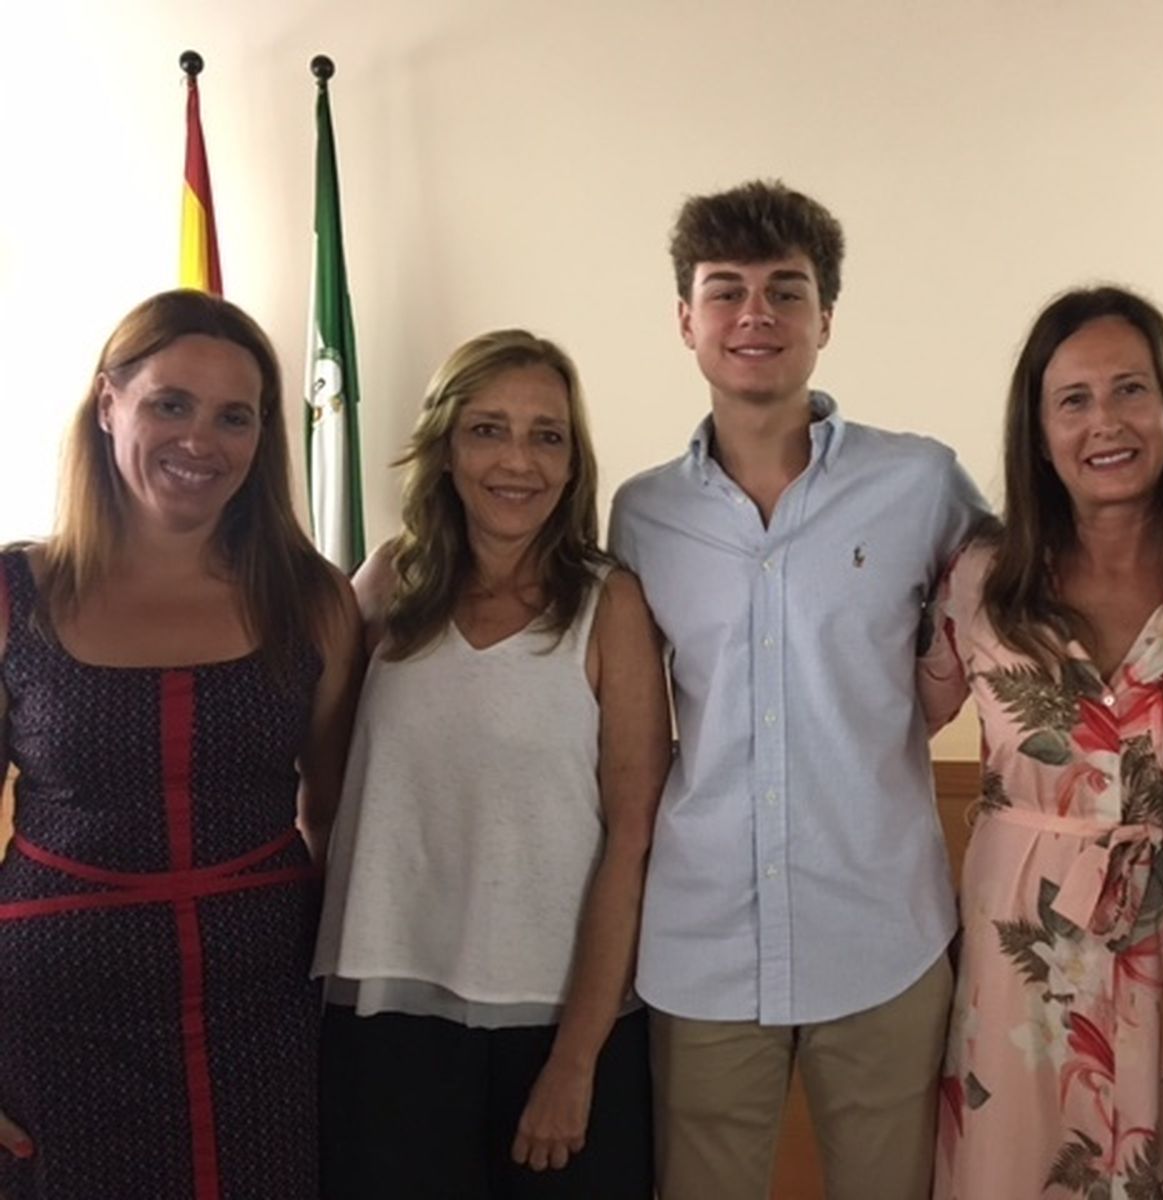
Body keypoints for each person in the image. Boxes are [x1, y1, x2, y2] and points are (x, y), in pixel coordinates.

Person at [608, 179, 989, 1200]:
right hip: (703, 942)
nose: (756, 314)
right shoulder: (641, 515)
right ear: (685, 319)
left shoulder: (920, 483)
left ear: (826, 318)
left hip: (882, 931)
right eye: (725, 290)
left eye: (786, 289)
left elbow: (1018, 607)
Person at [919, 286, 1163, 1199]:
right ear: (1039, 430)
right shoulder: (979, 581)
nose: (1106, 422)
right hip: (1025, 979)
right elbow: (883, 733)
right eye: (1074, 399)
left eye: (1131, 389)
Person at [0, 289, 363, 1199]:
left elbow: (333, 816)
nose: (201, 440)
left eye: (234, 416)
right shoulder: (13, 597)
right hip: (52, 1024)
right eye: (171, 403)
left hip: (266, 1015)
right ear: (108, 403)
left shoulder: (312, 600)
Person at [313, 329, 668, 1198]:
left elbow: (633, 840)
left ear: (573, 463)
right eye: (487, 430)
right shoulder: (385, 585)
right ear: (444, 447)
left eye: (547, 436)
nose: (519, 461)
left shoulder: (610, 603)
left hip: (559, 1023)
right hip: (384, 1013)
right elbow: (321, 793)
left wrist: (575, 1061)